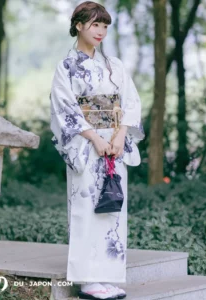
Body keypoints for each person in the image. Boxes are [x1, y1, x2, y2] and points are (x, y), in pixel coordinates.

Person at [49, 1, 145, 299]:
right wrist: (95, 139)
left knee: (113, 210)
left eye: (105, 25)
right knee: (86, 209)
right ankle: (87, 279)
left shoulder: (113, 65)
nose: (101, 31)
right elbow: (65, 108)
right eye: (95, 24)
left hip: (114, 145)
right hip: (88, 146)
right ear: (78, 25)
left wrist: (120, 136)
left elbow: (131, 102)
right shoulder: (66, 67)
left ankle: (106, 276)